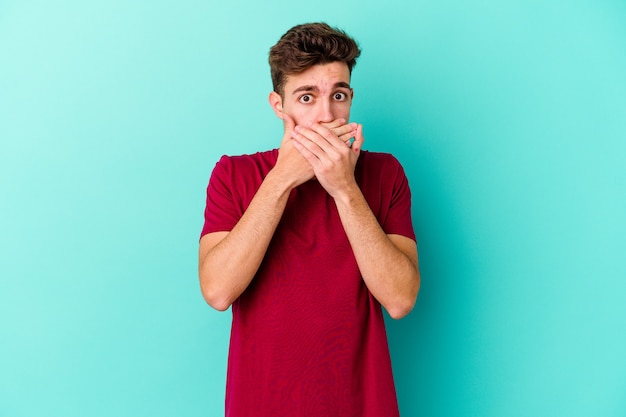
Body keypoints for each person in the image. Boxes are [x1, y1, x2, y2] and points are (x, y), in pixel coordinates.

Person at [198, 22, 420, 417]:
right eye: (306, 97)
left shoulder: (385, 174)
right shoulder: (234, 175)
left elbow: (400, 299)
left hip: (361, 404)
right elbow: (218, 291)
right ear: (278, 105)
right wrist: (282, 178)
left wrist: (345, 189)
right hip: (262, 403)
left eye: (339, 95)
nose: (326, 115)